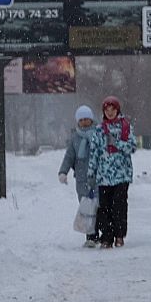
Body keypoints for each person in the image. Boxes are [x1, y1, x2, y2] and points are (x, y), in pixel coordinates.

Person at [88, 95, 137, 248]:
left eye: (112, 109)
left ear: (117, 110)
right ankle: (107, 236)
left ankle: (119, 235)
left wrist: (117, 143)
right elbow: (94, 152)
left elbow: (132, 147)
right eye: (107, 110)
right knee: (104, 207)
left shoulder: (125, 127)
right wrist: (91, 171)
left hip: (122, 175)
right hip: (104, 176)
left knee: (119, 206)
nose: (110, 112)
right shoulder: (99, 130)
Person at [59, 105, 100, 247]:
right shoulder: (75, 138)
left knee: (100, 206)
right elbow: (69, 157)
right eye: (81, 120)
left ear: (91, 119)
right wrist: (63, 172)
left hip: (98, 177)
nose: (84, 122)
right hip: (82, 180)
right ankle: (91, 237)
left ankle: (103, 234)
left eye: (86, 119)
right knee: (87, 208)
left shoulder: (99, 134)